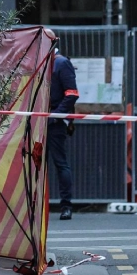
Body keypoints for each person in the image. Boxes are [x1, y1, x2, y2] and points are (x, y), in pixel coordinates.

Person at [48, 36, 80, 220]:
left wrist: (56, 116)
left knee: (60, 163)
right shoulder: (47, 63)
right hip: (43, 119)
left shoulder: (61, 63)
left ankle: (66, 206)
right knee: (35, 162)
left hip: (54, 121)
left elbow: (72, 94)